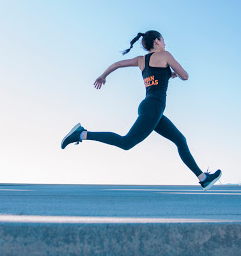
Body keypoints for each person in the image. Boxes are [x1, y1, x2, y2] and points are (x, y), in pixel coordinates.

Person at [61, 30, 222, 190]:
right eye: (163, 40)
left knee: (180, 140)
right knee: (126, 143)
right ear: (157, 41)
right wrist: (175, 73)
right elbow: (185, 76)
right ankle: (82, 134)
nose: (165, 44)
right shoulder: (165, 55)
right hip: (154, 107)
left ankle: (203, 178)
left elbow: (117, 64)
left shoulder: (141, 60)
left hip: (149, 107)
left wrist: (103, 76)